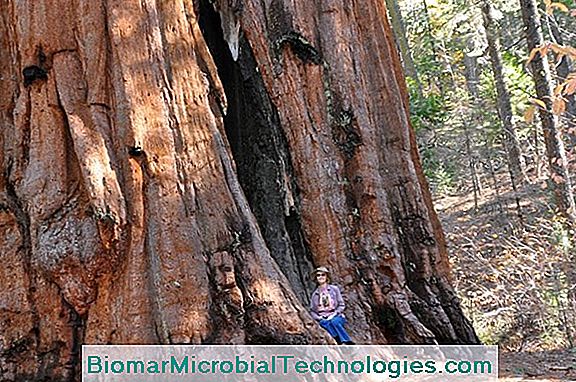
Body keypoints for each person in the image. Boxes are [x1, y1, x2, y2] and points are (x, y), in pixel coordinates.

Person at [309, 266, 354, 344]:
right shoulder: (315, 294)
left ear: (327, 277)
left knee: (334, 322)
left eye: (323, 275)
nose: (321, 277)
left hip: (335, 315)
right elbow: (312, 311)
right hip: (323, 317)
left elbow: (341, 305)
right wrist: (319, 317)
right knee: (325, 324)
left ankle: (347, 342)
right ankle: (338, 340)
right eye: (318, 275)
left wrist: (335, 313)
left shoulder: (334, 289)